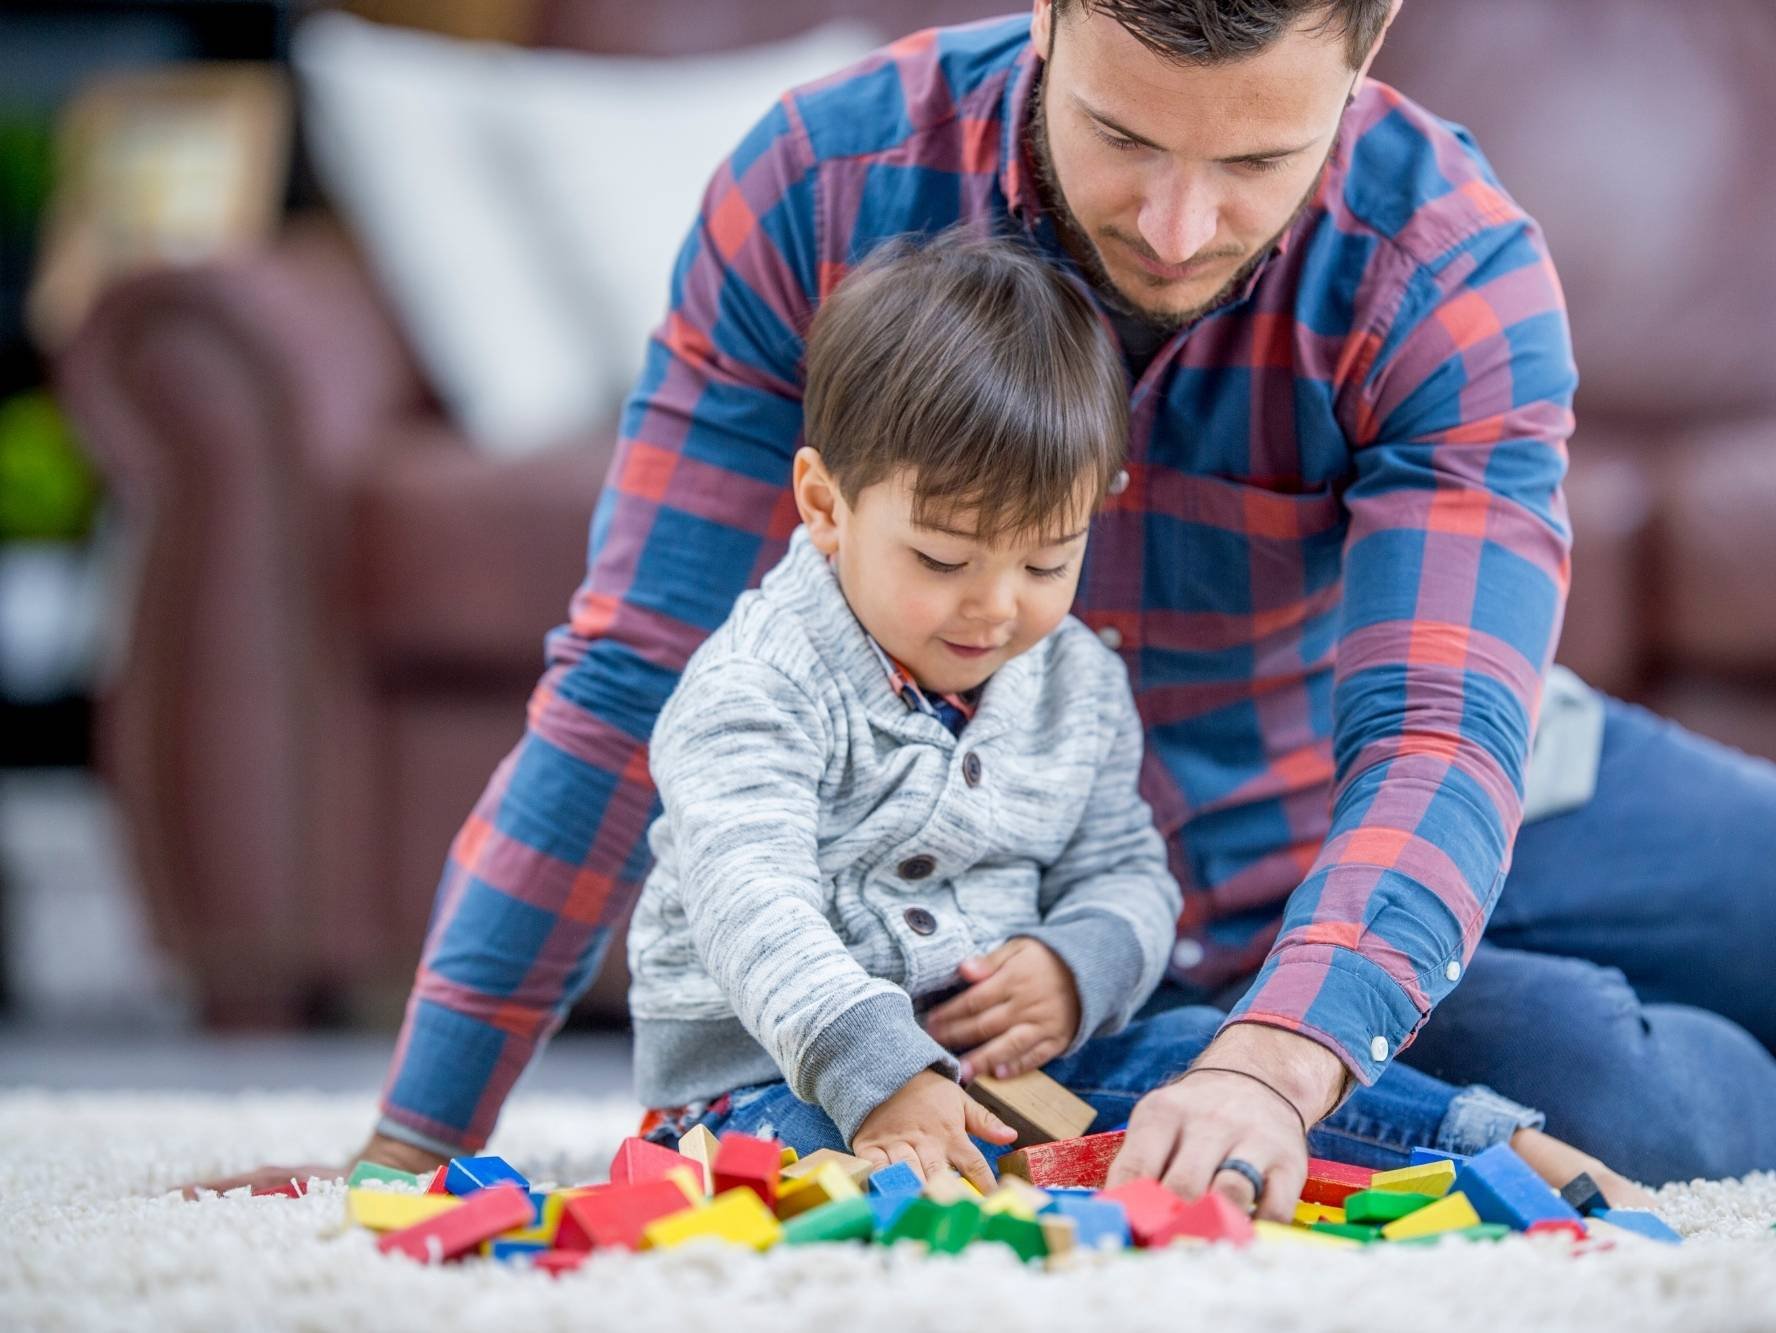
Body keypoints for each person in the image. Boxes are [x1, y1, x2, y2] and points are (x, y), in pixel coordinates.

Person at [197, 0, 1776, 1207]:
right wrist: (412, 1144)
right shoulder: (819, 187)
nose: (1181, 222)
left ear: (1367, 57)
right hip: (1081, 949)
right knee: (1584, 1085)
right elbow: (623, 691)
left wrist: (1290, 1058)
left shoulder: (1444, 258)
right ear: (1049, 12)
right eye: (1129, 134)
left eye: (1258, 162)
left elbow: (1443, 730)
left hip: (1461, 803)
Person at [620, 228, 1643, 1210]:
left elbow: (1122, 868)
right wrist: (878, 1071)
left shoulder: (1070, 676)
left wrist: (1076, 969)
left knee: (1191, 1057)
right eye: (941, 560)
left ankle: (1488, 1147)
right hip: (768, 1073)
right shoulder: (754, 685)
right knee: (801, 1174)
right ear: (825, 505)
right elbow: (748, 899)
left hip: (1010, 1059)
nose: (993, 606)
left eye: (1044, 561)